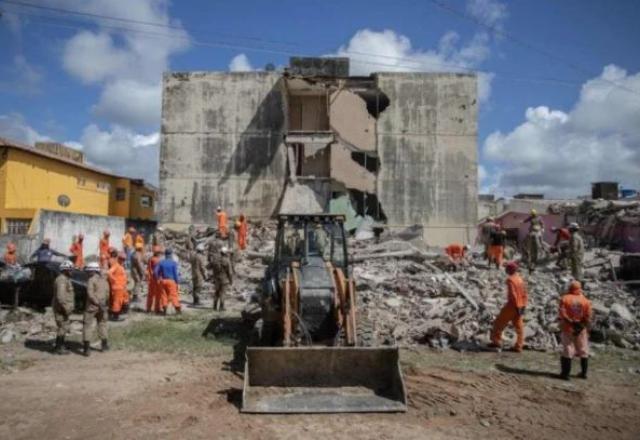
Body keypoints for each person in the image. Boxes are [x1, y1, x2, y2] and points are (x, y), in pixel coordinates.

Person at [489, 261, 529, 352]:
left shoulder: (510, 280)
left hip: (512, 305)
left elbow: (513, 294)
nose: (505, 270)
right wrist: (523, 306)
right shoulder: (520, 279)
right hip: (520, 305)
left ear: (510, 270)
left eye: (507, 268)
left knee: (499, 322)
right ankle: (519, 346)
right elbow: (525, 293)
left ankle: (496, 341)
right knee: (519, 326)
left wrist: (516, 305)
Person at [558, 280, 592, 380]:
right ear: (579, 289)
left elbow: (562, 313)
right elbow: (588, 316)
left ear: (570, 288)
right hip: (581, 328)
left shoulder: (564, 298)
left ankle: (565, 374)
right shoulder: (586, 301)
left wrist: (571, 322)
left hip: (568, 327)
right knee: (583, 350)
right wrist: (582, 325)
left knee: (568, 349)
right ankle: (584, 373)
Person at [82, 262, 109, 357]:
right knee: (102, 324)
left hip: (91, 307)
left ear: (92, 271)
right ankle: (104, 346)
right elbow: (107, 294)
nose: (87, 273)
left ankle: (86, 349)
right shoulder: (104, 280)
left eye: (89, 271)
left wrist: (96, 302)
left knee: (87, 326)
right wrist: (103, 304)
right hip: (102, 306)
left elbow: (90, 294)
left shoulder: (91, 280)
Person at [52, 260, 75, 354]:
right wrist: (66, 308)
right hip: (61, 308)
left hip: (62, 307)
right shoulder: (61, 280)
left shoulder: (65, 279)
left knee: (64, 327)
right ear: (65, 270)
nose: (71, 271)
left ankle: (60, 345)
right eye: (70, 269)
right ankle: (59, 348)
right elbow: (60, 297)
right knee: (62, 327)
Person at [155, 248, 181, 314]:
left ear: (165, 255)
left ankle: (165, 309)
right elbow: (175, 274)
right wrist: (177, 282)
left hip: (163, 281)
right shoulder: (173, 263)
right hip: (171, 281)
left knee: (164, 295)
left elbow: (155, 271)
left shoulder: (161, 262)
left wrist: (158, 278)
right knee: (174, 295)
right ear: (171, 255)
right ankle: (177, 309)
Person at [107, 252, 128, 321]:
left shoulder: (120, 266)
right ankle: (115, 317)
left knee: (121, 301)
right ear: (118, 258)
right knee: (117, 302)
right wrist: (114, 280)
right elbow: (109, 273)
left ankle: (117, 313)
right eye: (122, 259)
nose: (123, 260)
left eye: (124, 259)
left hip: (121, 287)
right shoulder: (116, 265)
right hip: (117, 287)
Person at [211, 246, 233, 311]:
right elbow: (230, 272)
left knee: (216, 292)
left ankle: (214, 306)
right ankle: (221, 307)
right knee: (223, 293)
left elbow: (211, 268)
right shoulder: (227, 261)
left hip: (216, 279)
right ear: (226, 253)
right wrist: (231, 280)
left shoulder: (215, 260)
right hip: (224, 279)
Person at [146, 245, 163, 313]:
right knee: (158, 295)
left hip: (150, 279)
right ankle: (157, 309)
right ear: (158, 252)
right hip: (156, 279)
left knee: (150, 295)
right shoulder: (157, 260)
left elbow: (149, 268)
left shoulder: (150, 259)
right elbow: (157, 271)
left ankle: (148, 308)